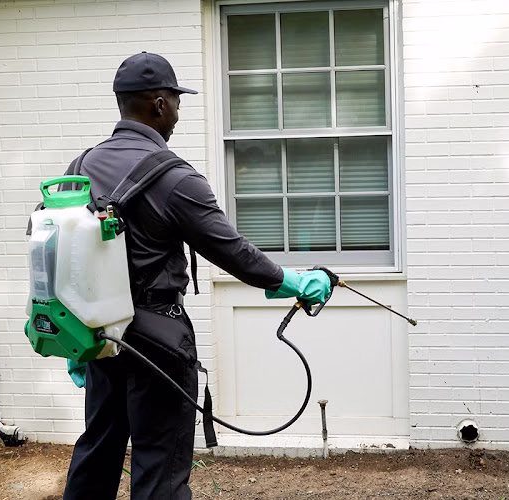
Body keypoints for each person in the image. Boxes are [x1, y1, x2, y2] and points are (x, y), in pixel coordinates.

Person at [62, 52, 331, 500]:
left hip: (99, 336)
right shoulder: (175, 178)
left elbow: (58, 252)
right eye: (176, 102)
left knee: (98, 452)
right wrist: (292, 280)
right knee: (160, 467)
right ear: (159, 104)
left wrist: (75, 337)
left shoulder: (78, 169)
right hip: (157, 339)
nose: (177, 114)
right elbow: (234, 253)